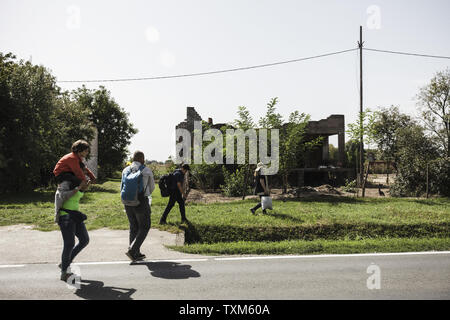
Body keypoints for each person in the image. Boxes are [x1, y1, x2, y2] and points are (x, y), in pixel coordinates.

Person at [55, 178, 91, 282]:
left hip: (75, 215)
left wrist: (83, 188)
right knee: (69, 244)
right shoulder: (65, 182)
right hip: (65, 216)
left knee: (84, 240)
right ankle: (64, 273)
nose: (85, 173)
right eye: (83, 170)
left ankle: (65, 263)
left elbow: (74, 196)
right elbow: (63, 196)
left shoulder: (77, 181)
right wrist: (79, 187)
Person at [122, 151, 155, 262]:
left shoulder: (125, 170)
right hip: (141, 202)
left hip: (127, 202)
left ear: (132, 158)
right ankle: (133, 250)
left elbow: (122, 186)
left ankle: (135, 253)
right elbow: (152, 188)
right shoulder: (146, 170)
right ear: (142, 159)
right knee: (144, 226)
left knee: (133, 227)